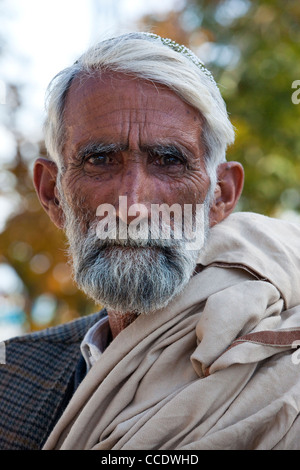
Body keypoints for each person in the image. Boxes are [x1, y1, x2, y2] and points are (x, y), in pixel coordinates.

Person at [1, 32, 300, 451]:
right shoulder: (12, 377)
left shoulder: (283, 364)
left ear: (221, 195)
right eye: (100, 160)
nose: (133, 205)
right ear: (53, 194)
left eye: (169, 161)